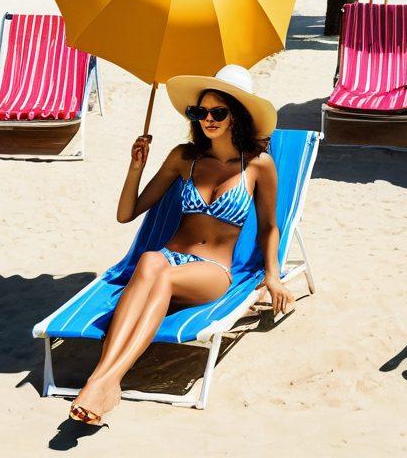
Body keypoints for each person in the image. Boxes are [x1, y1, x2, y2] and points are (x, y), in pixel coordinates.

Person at [68, 65, 291, 425]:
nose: (208, 119)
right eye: (199, 112)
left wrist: (273, 276)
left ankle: (110, 378)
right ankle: (101, 380)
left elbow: (269, 227)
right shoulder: (184, 158)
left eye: (218, 112)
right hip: (168, 257)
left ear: (237, 116)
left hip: (212, 270)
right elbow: (126, 214)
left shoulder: (258, 165)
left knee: (164, 277)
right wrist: (135, 167)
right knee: (149, 261)